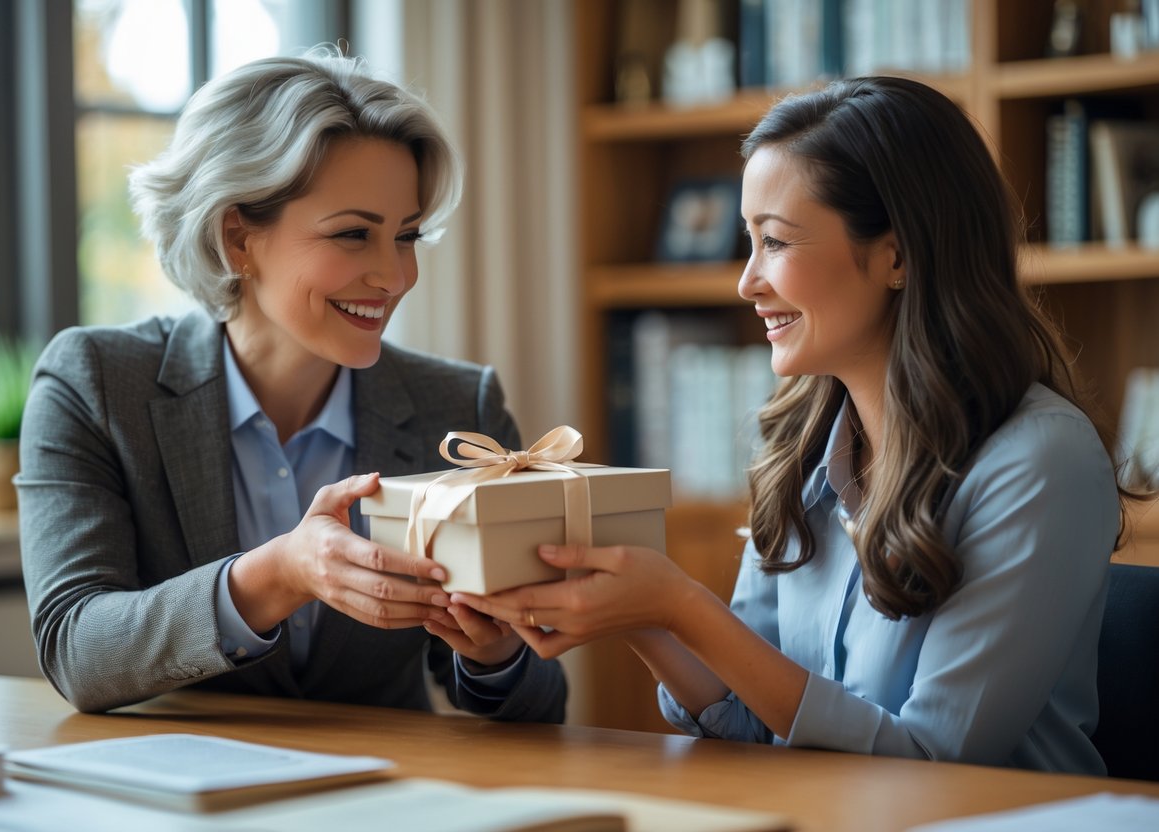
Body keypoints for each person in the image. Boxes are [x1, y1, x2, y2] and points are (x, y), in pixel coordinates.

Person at [454, 76, 1137, 773]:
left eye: (774, 243)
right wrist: (641, 616)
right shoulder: (803, 445)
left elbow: (933, 760)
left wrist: (680, 606)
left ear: (896, 256)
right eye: (749, 242)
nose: (746, 281)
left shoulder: (1039, 459)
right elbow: (753, 719)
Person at [16, 47, 565, 721]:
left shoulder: (456, 409)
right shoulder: (96, 383)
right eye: (353, 235)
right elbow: (76, 649)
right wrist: (279, 574)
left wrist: (494, 655)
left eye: (407, 236)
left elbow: (543, 704)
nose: (395, 277)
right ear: (237, 237)